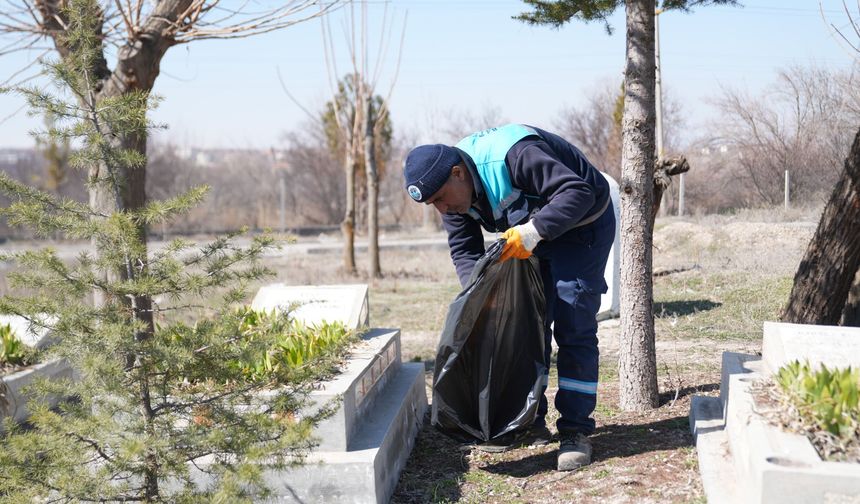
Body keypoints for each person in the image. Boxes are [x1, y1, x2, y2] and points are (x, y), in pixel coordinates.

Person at [402, 124, 615, 472]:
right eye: (432, 204)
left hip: (582, 227)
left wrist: (533, 231)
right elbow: (465, 251)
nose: (441, 208)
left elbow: (579, 192)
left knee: (573, 323)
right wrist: (482, 297)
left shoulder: (515, 156)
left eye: (440, 198)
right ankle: (531, 421)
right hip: (533, 235)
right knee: (525, 323)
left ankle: (575, 431)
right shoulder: (452, 195)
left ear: (458, 173)